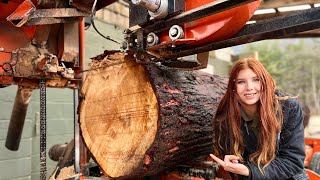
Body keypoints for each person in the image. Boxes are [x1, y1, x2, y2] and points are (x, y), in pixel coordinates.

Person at [210, 58, 308, 179]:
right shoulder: (225, 117)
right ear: (233, 86)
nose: (249, 87)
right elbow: (236, 161)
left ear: (264, 82)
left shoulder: (288, 108)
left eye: (256, 80)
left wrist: (250, 171)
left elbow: (293, 161)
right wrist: (234, 164)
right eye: (241, 82)